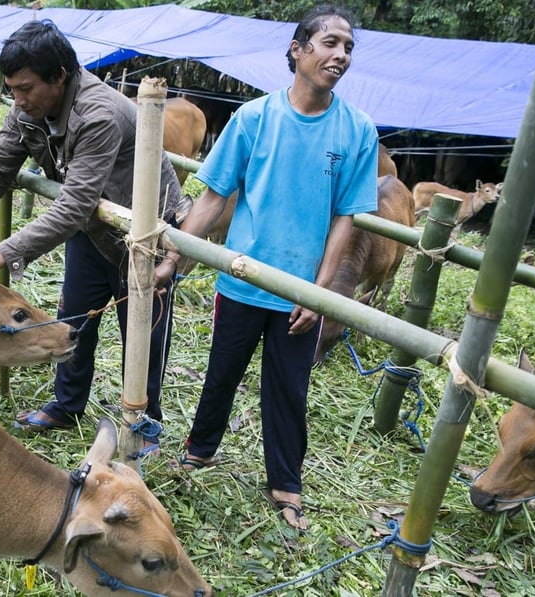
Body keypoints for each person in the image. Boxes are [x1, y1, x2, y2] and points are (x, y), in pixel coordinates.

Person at [154, 4, 378, 531]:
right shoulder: (254, 118)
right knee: (221, 373)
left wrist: (316, 293)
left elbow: (346, 219)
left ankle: (286, 483)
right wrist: (175, 258)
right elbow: (213, 199)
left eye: (348, 47)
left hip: (302, 290)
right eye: (329, 43)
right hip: (242, 278)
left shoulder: (357, 131)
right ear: (298, 51)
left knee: (288, 387)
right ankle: (200, 450)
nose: (340, 54)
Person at [0, 20, 183, 454]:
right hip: (92, 231)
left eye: (25, 88)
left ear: (59, 76)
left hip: (144, 239)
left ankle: (142, 423)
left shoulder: (98, 114)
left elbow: (73, 204)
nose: (18, 99)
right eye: (12, 89)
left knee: (143, 332)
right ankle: (68, 405)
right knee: (74, 316)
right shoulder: (27, 110)